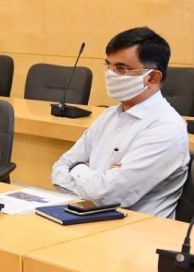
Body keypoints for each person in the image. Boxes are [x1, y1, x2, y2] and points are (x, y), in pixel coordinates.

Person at [51, 27, 189, 218]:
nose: (111, 74)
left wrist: (77, 169)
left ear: (152, 78)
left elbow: (109, 196)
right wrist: (97, 179)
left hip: (137, 229)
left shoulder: (166, 127)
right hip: (88, 216)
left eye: (121, 68)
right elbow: (59, 169)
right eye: (109, 65)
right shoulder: (109, 115)